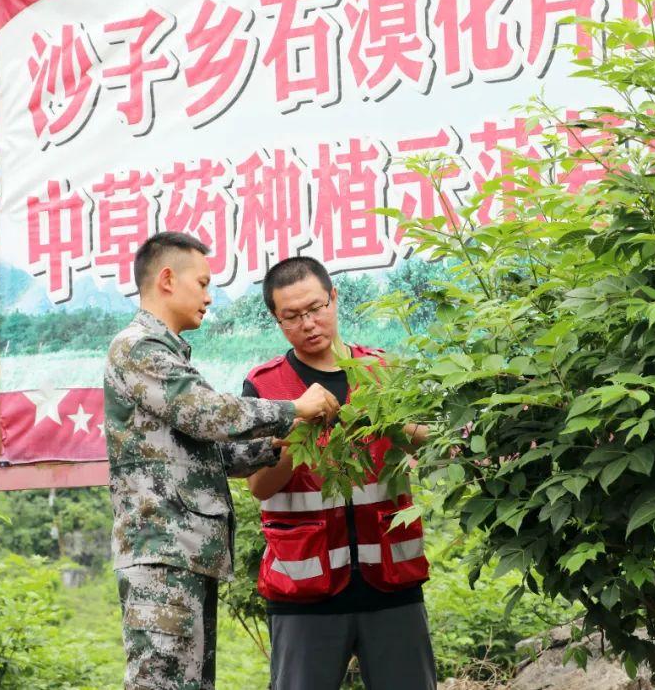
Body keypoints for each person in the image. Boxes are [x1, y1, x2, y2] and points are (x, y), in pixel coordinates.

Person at [104, 232, 340, 690]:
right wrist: (294, 409)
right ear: (168, 279)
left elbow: (219, 455)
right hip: (163, 553)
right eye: (204, 282)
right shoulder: (139, 349)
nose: (209, 296)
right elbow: (208, 414)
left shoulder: (170, 354)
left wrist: (286, 439)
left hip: (186, 553)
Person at [243, 256, 437, 690]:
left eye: (316, 308)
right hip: (304, 589)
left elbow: (435, 438)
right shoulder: (265, 388)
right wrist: (297, 432)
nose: (309, 323)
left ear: (334, 298)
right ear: (276, 320)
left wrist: (392, 423)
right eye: (292, 316)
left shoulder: (384, 372)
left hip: (391, 581)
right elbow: (260, 486)